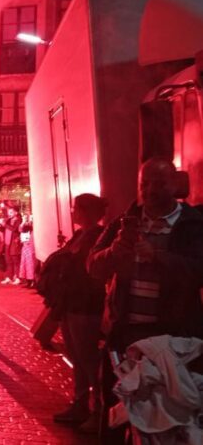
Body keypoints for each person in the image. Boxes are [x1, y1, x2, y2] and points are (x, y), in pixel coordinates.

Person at [88, 158, 203, 442]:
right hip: (124, 337)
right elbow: (92, 266)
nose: (150, 190)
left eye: (159, 183)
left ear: (174, 184)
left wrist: (159, 258)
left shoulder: (193, 224)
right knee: (116, 414)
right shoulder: (124, 222)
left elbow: (199, 271)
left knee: (165, 421)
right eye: (144, 184)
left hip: (171, 342)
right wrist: (114, 252)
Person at [48, 194, 107, 434]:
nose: (73, 212)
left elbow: (89, 271)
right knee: (76, 356)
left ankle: (100, 410)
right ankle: (80, 403)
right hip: (70, 303)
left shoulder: (96, 236)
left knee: (88, 358)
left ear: (86, 211)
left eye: (76, 208)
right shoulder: (80, 235)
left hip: (86, 305)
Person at [0, 206, 22, 284]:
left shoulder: (18, 220)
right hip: (7, 242)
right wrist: (1, 225)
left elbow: (14, 229)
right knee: (8, 261)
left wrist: (4, 224)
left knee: (15, 260)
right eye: (9, 212)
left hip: (14, 243)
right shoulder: (9, 220)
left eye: (11, 212)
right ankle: (9, 277)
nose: (9, 214)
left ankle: (17, 277)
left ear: (16, 212)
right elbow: (4, 229)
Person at [18, 214, 36, 288]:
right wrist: (23, 221)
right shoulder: (25, 226)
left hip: (30, 247)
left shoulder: (33, 227)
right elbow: (20, 229)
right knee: (25, 264)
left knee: (30, 265)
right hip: (25, 247)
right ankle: (28, 281)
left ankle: (32, 281)